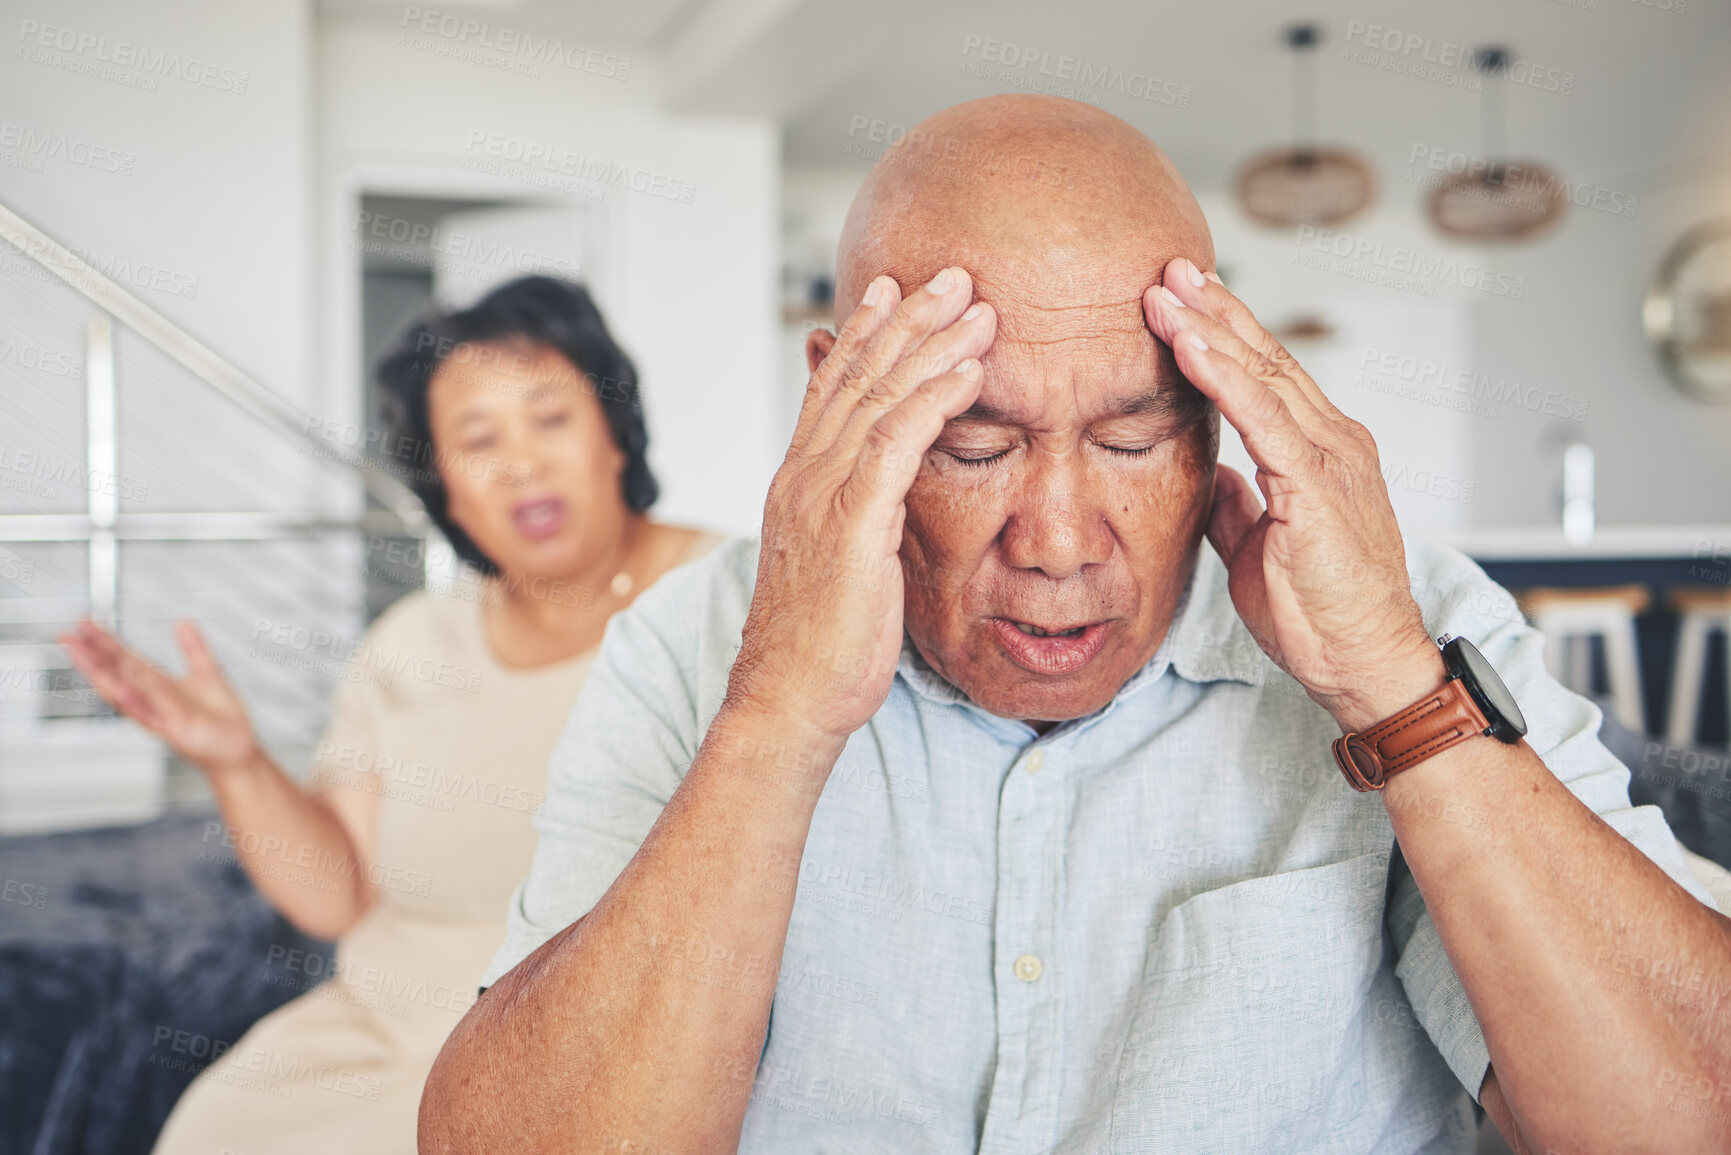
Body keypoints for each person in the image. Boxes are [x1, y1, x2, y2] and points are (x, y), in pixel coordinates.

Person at [420, 99, 1731, 1154]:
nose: (1054, 536)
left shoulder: (1404, 618)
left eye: (1130, 434)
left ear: (1217, 411)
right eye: (973, 442)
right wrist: (773, 717)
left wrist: (1390, 683)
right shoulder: (694, 644)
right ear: (839, 404)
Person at [59, 275, 720, 1154]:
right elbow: (333, 894)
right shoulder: (412, 638)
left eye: (550, 418)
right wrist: (235, 760)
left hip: (600, 1058)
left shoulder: (734, 599)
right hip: (383, 1037)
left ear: (611, 433)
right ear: (446, 487)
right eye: (478, 439)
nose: (520, 460)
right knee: (216, 1128)